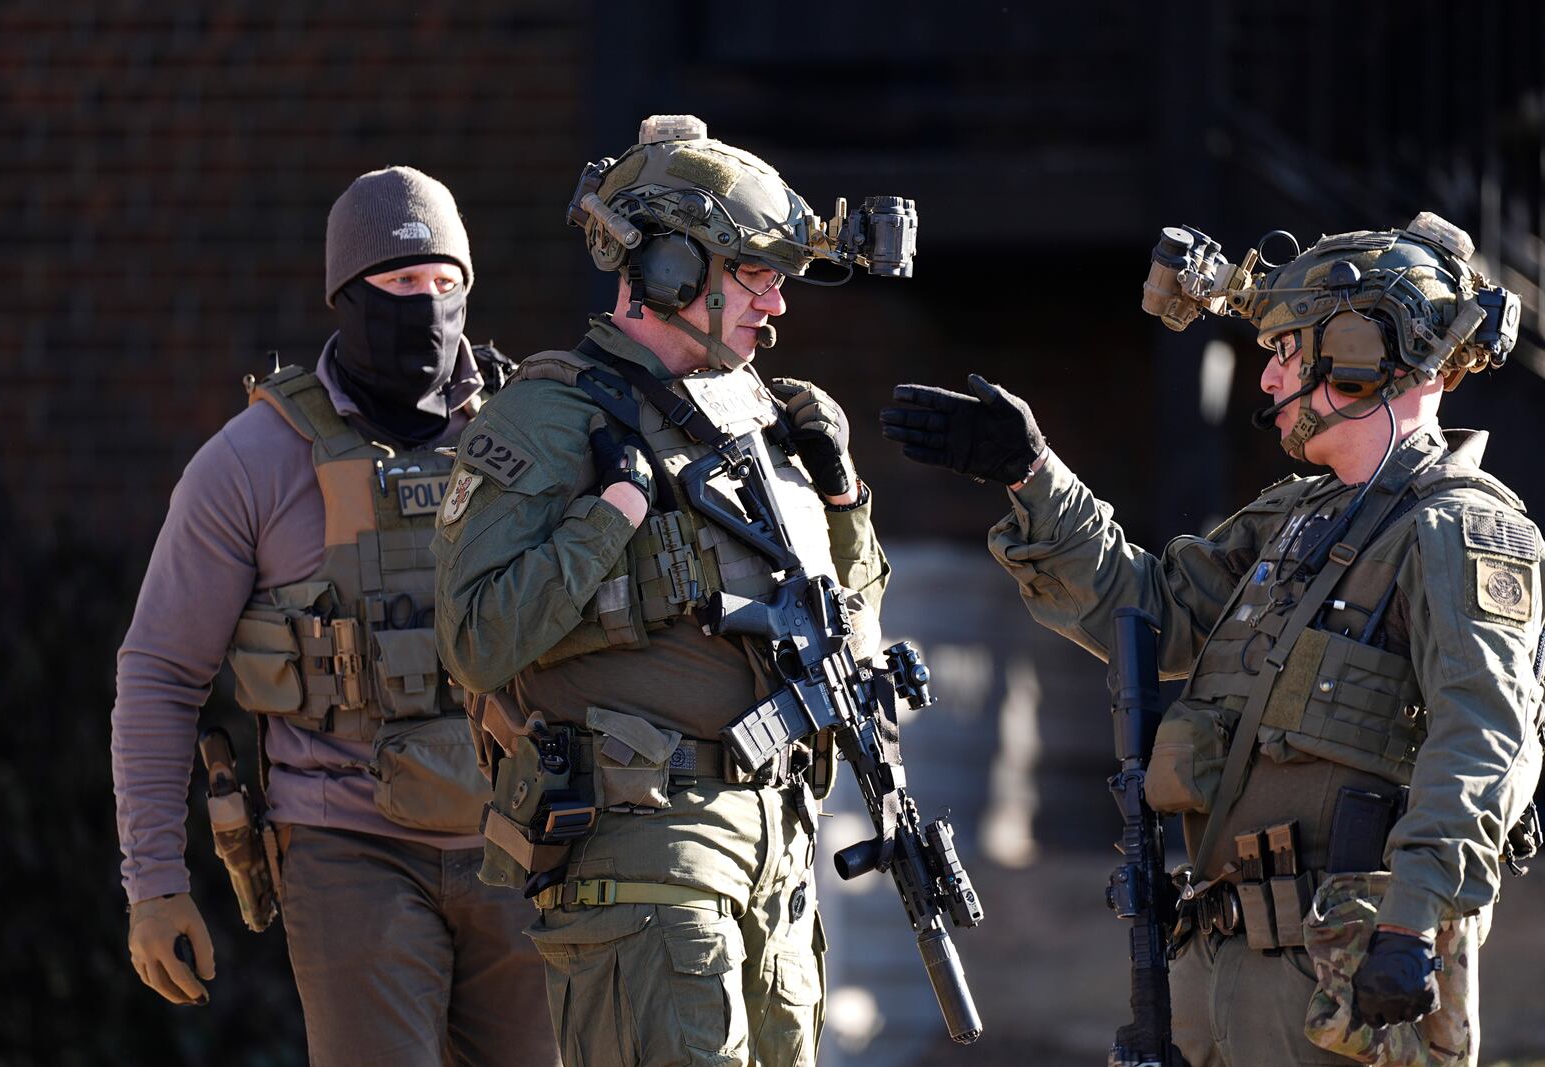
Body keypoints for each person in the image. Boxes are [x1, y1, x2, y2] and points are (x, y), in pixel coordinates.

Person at [881, 213, 1543, 1067]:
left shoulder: (1459, 532)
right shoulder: (1294, 521)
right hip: (1212, 973)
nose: (1267, 377)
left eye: (1287, 351)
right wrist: (1032, 474)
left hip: (1349, 982)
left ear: (1358, 353)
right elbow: (1147, 610)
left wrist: (1412, 921)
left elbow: (1484, 738)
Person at [432, 115, 892, 1067]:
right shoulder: (550, 417)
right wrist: (611, 513)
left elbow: (848, 635)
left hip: (776, 850)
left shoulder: (764, 414)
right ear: (675, 271)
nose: (777, 307)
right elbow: (475, 640)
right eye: (755, 277)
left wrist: (843, 500)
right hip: (645, 859)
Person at [112, 165, 559, 1067]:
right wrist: (154, 882)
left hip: (522, 842)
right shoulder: (252, 461)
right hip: (348, 848)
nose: (426, 307)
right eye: (400, 284)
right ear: (346, 296)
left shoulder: (535, 434)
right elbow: (160, 673)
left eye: (447, 285)